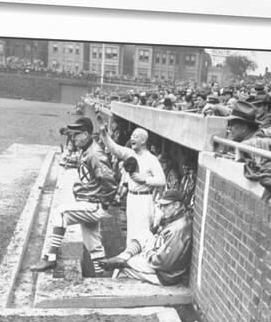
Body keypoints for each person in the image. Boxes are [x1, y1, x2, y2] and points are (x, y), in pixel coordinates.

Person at [31, 117, 117, 275]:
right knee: (94, 244)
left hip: (92, 204)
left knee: (60, 213)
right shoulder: (87, 149)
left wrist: (103, 205)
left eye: (76, 135)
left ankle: (50, 258)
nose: (73, 138)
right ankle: (102, 278)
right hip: (87, 202)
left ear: (85, 134)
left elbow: (109, 181)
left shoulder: (95, 154)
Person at [98, 190, 192, 286]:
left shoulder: (178, 230)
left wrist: (146, 253)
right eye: (161, 206)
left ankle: (113, 285)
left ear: (176, 205)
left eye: (166, 205)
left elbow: (162, 263)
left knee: (124, 266)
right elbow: (157, 235)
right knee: (145, 234)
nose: (162, 209)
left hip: (165, 275)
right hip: (160, 262)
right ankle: (122, 257)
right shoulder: (177, 217)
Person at [96, 115, 165, 243]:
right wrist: (103, 132)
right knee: (131, 232)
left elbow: (162, 180)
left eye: (135, 137)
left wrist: (145, 180)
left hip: (144, 199)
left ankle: (139, 260)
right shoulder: (130, 154)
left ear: (143, 141)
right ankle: (129, 259)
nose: (131, 138)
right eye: (132, 136)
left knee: (142, 234)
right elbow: (113, 148)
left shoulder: (151, 159)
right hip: (131, 197)